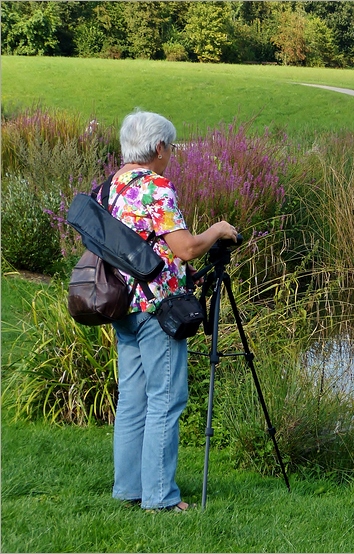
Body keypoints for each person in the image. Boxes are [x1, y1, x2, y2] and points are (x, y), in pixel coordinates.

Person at [105, 109, 239, 512]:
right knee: (166, 397)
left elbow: (143, 243)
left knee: (132, 398)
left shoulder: (114, 185)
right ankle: (161, 498)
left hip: (122, 303)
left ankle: (129, 489)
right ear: (159, 147)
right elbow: (185, 247)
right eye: (172, 146)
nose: (173, 154)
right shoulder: (154, 187)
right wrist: (218, 229)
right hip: (156, 309)